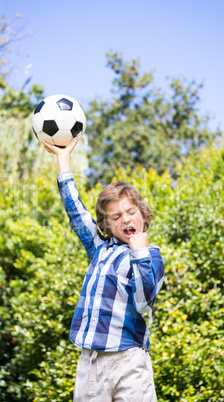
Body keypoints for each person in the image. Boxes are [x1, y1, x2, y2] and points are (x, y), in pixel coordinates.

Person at [43, 138, 165, 402]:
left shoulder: (151, 256)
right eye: (116, 217)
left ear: (143, 216)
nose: (125, 219)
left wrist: (139, 253)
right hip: (92, 361)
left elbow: (144, 304)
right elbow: (76, 213)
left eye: (131, 212)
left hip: (129, 361)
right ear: (107, 227)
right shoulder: (100, 248)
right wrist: (63, 159)